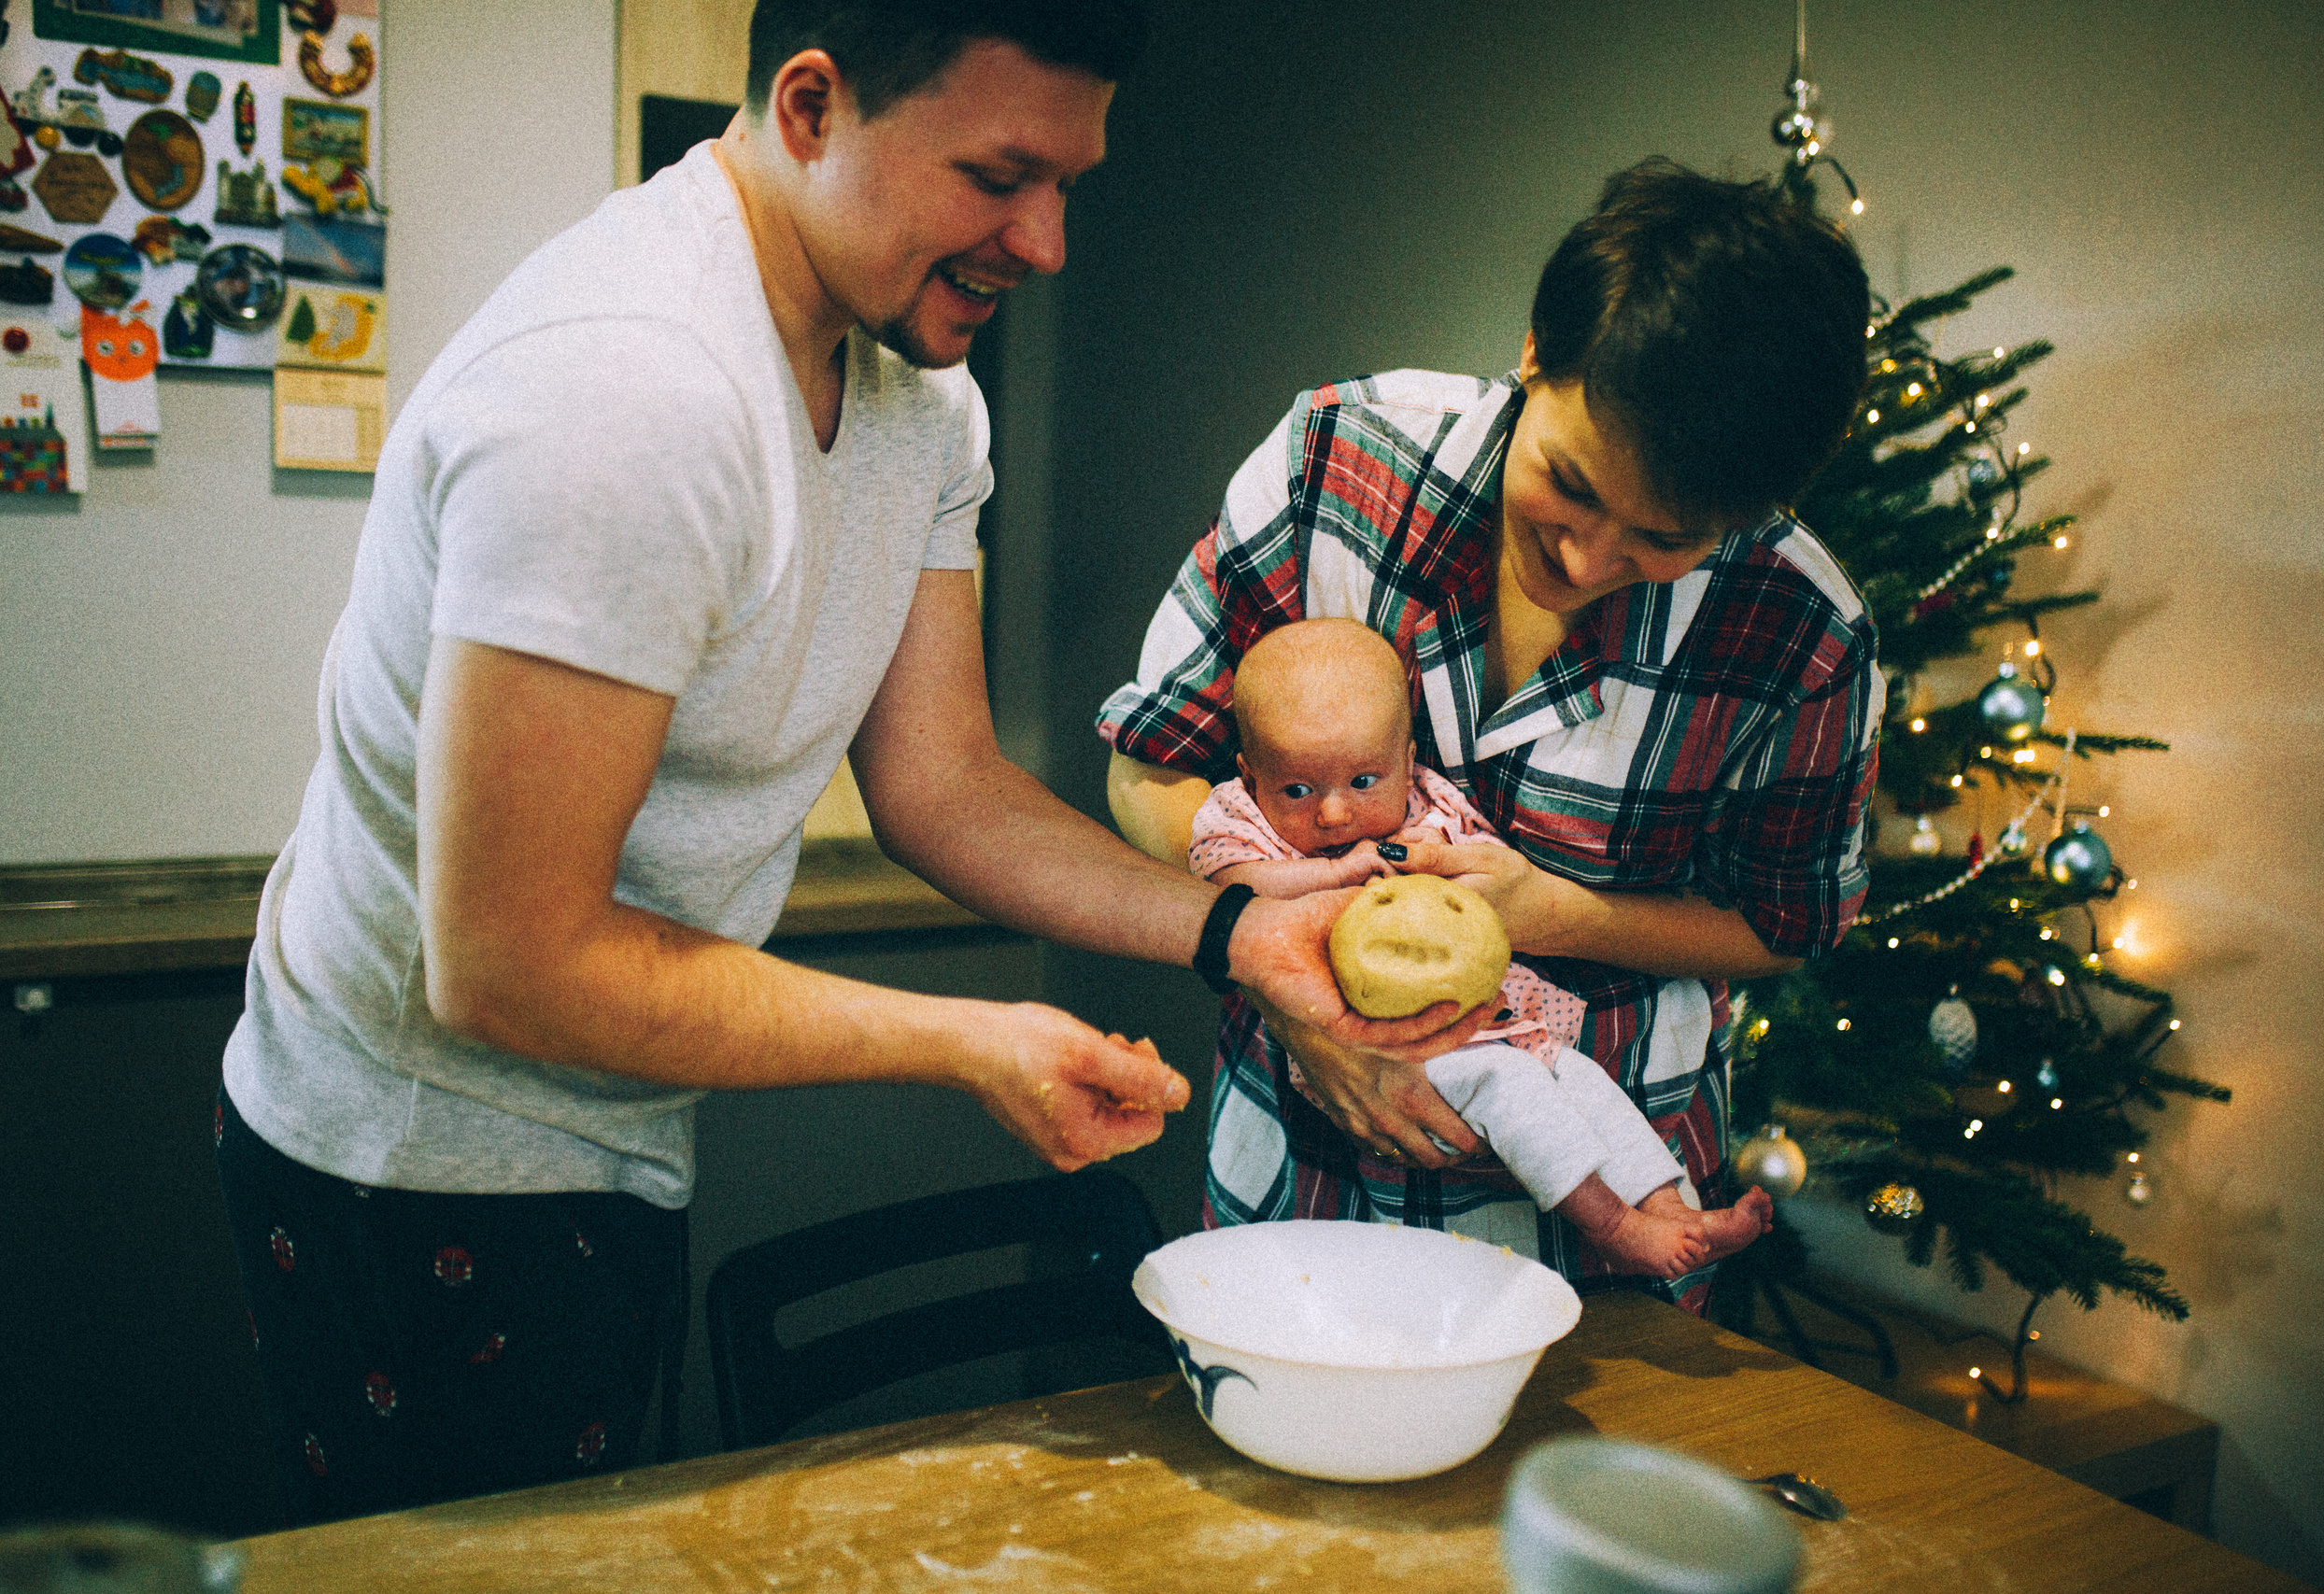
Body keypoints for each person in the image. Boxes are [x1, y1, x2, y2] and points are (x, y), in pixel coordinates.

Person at [215, 0, 1472, 1527]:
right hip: (409, 1157)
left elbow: (943, 785)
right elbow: (511, 962)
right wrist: (970, 1041)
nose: (1050, 240)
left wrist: (1234, 925)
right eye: (1001, 175)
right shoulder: (629, 397)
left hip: (612, 1125)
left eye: (1069, 181)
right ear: (810, 107)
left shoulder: (924, 394)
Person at [1102, 159, 1883, 1313]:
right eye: (1569, 486)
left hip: (1605, 1234)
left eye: (1660, 541)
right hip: (1302, 1182)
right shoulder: (1336, 463)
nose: (1584, 561)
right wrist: (1291, 961)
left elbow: (1787, 926)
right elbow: (1145, 764)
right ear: (1533, 351)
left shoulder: (1798, 634)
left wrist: (1560, 915)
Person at [1190, 617, 1776, 1278]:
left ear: (1406, 762)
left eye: (1362, 782)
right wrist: (1329, 874)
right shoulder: (1240, 816)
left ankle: (1668, 1204)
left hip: (1488, 1020)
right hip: (1376, 1044)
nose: (1332, 815)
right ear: (1250, 772)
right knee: (1513, 1086)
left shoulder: (1428, 801)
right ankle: (1613, 1226)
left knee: (1579, 1077)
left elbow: (1485, 859)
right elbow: (1230, 883)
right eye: (1297, 789)